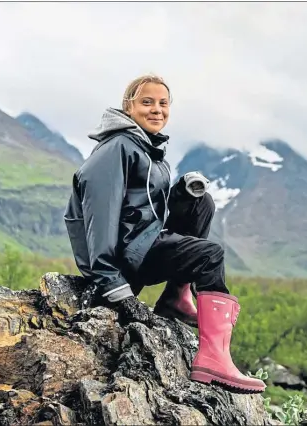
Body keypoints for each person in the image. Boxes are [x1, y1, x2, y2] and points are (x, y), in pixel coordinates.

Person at [64, 75, 265, 393]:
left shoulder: (149, 150)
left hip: (140, 246)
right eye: (147, 102)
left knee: (201, 203)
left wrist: (181, 197)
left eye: (163, 103)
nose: (156, 109)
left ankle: (175, 297)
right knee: (210, 255)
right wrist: (119, 293)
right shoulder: (116, 149)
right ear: (128, 106)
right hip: (123, 261)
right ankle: (214, 360)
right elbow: (98, 223)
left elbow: (143, 212)